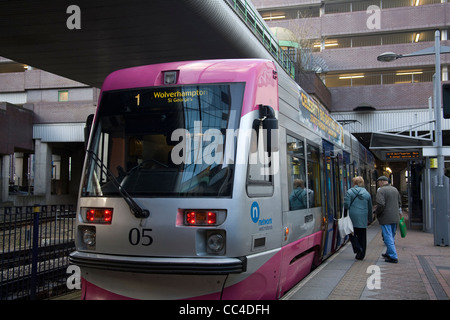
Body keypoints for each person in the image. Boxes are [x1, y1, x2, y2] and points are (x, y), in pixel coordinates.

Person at [344, 176, 373, 260]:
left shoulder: (350, 192)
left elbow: (346, 205)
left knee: (351, 233)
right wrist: (370, 218)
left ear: (354, 183)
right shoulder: (367, 193)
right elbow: (370, 207)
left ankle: (357, 248)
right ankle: (362, 255)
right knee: (362, 236)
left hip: (352, 217)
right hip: (363, 217)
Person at [375, 175, 402, 263]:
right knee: (392, 235)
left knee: (387, 236)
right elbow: (399, 202)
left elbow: (381, 204)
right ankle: (388, 252)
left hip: (385, 217)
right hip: (395, 216)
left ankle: (393, 256)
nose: (378, 184)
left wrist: (377, 213)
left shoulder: (381, 191)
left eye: (379, 182)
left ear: (382, 182)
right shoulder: (395, 189)